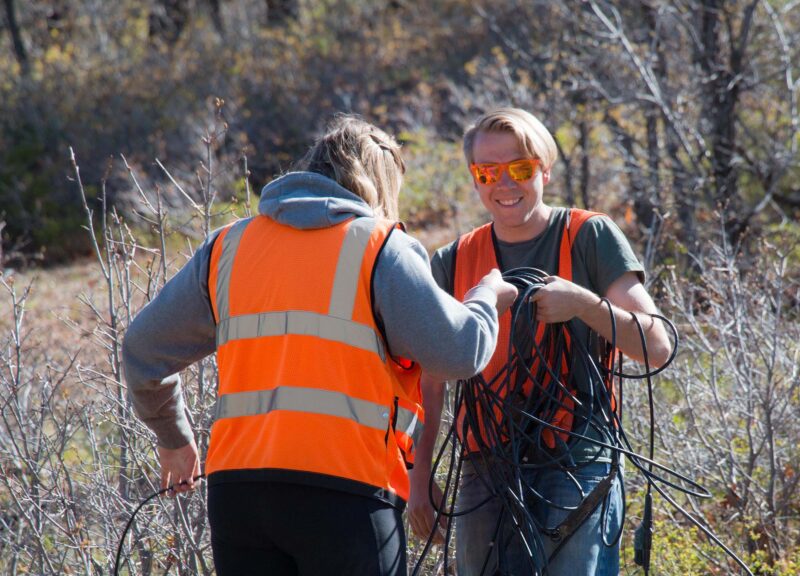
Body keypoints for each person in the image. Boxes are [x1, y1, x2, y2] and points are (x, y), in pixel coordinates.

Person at [122, 114, 517, 576]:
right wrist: (487, 297)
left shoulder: (227, 246)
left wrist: (173, 439)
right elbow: (459, 353)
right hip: (347, 494)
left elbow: (143, 351)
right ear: (379, 185)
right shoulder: (381, 246)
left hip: (240, 498)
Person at [408, 108, 673, 575]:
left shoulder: (589, 236)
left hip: (579, 458)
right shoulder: (454, 260)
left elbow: (657, 345)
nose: (504, 184)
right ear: (474, 178)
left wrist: (586, 306)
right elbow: (429, 382)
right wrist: (420, 474)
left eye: (520, 169)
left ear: (544, 170)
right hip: (485, 467)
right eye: (487, 172)